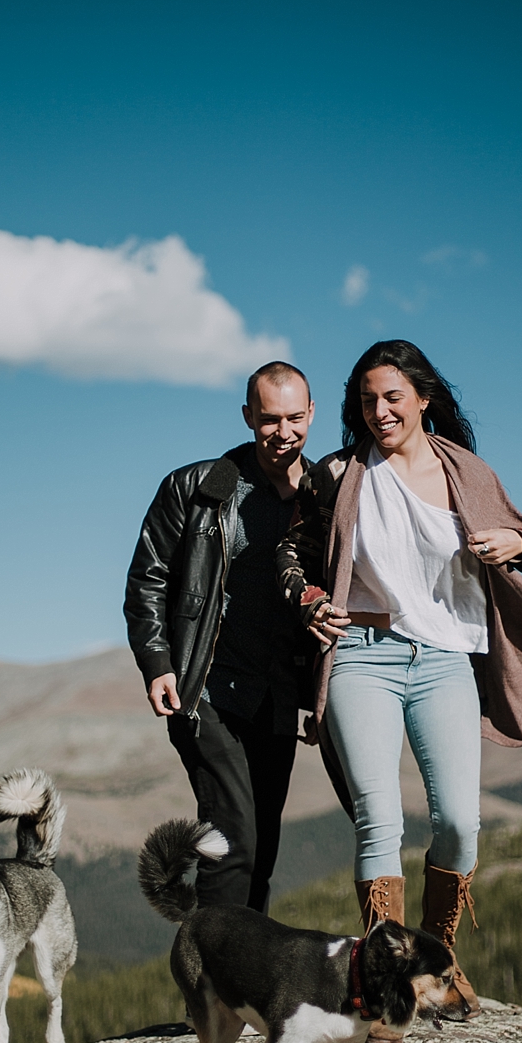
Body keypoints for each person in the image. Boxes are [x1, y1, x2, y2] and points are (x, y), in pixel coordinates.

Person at [278, 340, 522, 1030]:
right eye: (366, 400)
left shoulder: (465, 472)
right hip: (362, 653)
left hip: (446, 658)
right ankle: (386, 981)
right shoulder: (337, 472)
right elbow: (292, 554)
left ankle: (436, 957)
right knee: (378, 819)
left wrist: (517, 545)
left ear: (423, 398)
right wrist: (306, 600)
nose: (379, 410)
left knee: (457, 820)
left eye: (392, 397)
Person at [124, 362, 316, 913]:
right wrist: (157, 661)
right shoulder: (195, 488)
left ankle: (243, 979)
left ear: (311, 414)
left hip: (278, 696)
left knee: (263, 845)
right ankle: (212, 990)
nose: (283, 433)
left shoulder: (325, 495)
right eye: (270, 420)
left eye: (295, 419)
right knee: (233, 838)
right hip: (205, 688)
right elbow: (149, 577)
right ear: (248, 416)